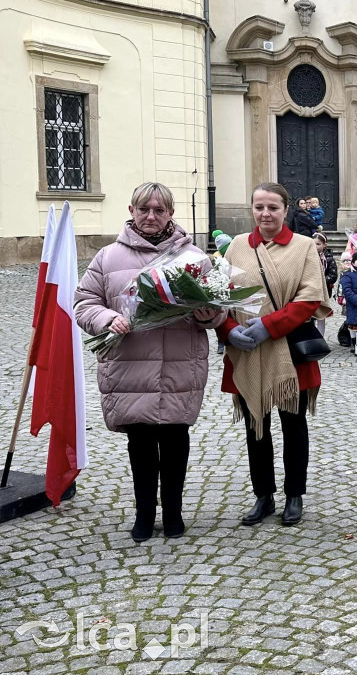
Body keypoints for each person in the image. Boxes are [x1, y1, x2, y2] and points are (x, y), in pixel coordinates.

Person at [74, 182, 224, 542]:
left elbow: (217, 313)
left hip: (178, 363)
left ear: (171, 213)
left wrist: (207, 313)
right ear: (131, 210)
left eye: (159, 210)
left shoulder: (193, 258)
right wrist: (108, 319)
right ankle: (144, 513)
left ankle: (173, 513)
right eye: (144, 210)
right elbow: (83, 303)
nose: (151, 217)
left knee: (175, 439)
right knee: (140, 442)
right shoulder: (108, 257)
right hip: (131, 363)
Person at [217, 183, 331, 528]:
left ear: (286, 211)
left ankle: (294, 494)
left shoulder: (304, 247)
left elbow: (310, 299)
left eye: (273, 208)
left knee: (294, 425)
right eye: (259, 207)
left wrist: (268, 326)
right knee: (256, 425)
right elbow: (217, 298)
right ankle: (263, 495)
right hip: (246, 348)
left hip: (289, 348)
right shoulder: (236, 247)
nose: (265, 214)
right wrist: (228, 331)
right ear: (252, 209)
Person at [312, 233, 337, 336]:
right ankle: (312, 337)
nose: (315, 246)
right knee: (310, 315)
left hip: (323, 291)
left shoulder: (329, 259)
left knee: (321, 315)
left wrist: (321, 281)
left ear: (324, 245)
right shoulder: (308, 257)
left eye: (318, 244)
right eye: (313, 244)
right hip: (310, 290)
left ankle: (321, 337)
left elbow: (333, 275)